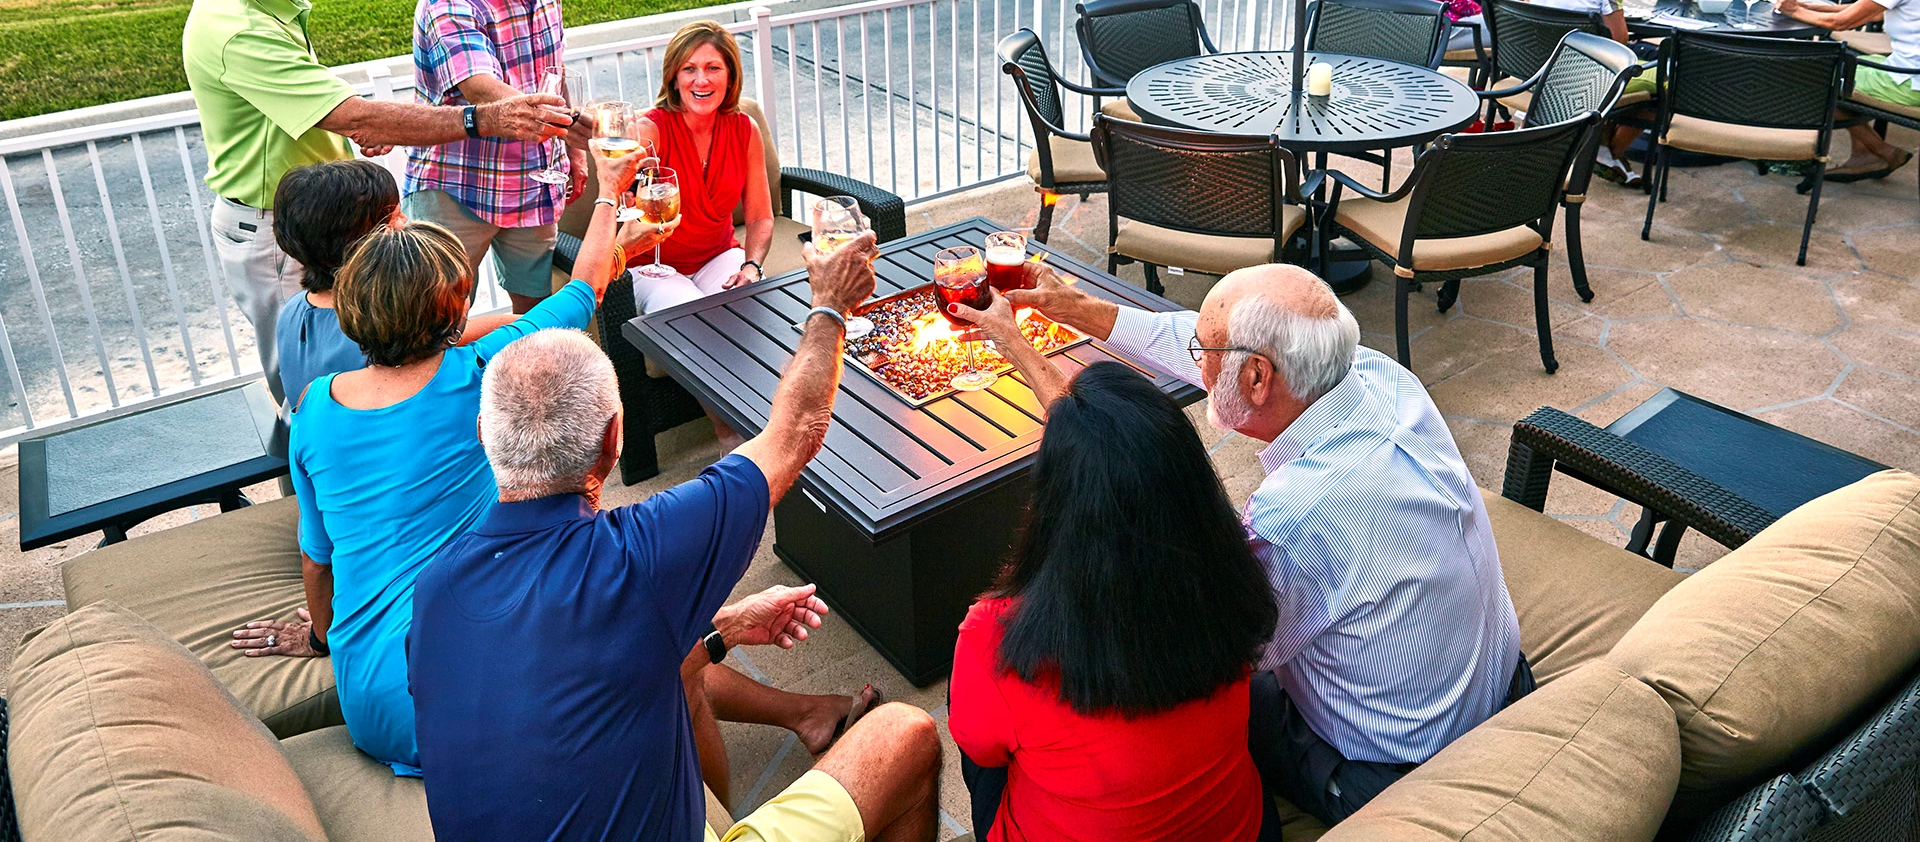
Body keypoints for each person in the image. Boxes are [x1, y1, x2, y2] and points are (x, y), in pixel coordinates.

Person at [407, 238, 945, 842]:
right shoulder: (638, 557)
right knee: (908, 734)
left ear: (485, 433)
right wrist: (829, 305)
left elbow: (576, 662)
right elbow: (793, 433)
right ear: (615, 443)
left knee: (684, 666)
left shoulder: (433, 588)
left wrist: (727, 628)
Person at [955, 262, 1526, 827]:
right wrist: (1071, 310)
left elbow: (1201, 623)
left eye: (1204, 352)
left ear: (1257, 377)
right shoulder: (1378, 376)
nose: (1193, 358)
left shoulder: (1295, 513)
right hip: (1500, 685)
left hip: (1387, 766)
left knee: (1163, 655)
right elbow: (1196, 349)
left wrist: (1027, 360)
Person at [226, 143, 646, 775]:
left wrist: (318, 637)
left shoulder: (310, 390)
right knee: (649, 640)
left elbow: (318, 564)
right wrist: (610, 191)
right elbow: (584, 287)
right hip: (462, 701)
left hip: (367, 705)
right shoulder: (473, 372)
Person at [183, 0, 573, 401]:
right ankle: (316, 481)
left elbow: (320, 109)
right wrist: (486, 119)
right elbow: (357, 112)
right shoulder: (237, 25)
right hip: (277, 233)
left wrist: (353, 130)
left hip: (327, 222)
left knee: (373, 365)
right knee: (310, 392)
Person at [947, 361, 1279, 842]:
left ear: (1056, 497)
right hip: (1239, 828)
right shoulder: (1233, 574)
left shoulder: (993, 634)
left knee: (984, 741)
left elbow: (981, 748)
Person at [405, 0, 590, 313]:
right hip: (455, 189)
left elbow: (553, 70)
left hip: (531, 182)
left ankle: (523, 386)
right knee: (436, 324)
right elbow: (481, 88)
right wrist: (574, 130)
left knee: (535, 316)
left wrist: (574, 152)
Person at [272, 159, 516, 413]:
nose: (406, 220)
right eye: (395, 217)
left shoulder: (293, 310)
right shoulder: (374, 332)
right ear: (366, 244)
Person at [622, 21, 776, 313]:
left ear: (730, 77)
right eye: (689, 69)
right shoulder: (650, 131)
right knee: (691, 320)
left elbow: (759, 217)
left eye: (713, 68)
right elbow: (617, 201)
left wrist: (752, 265)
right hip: (651, 267)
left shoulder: (745, 129)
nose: (701, 80)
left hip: (718, 257)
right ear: (674, 79)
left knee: (754, 310)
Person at [1773, 0, 1920, 183]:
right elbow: (1871, 10)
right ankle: (1868, 154)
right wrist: (1810, 7)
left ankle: (1881, 151)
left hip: (1910, 82)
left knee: (1813, 75)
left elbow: (1842, 22)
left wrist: (1794, 9)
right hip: (1912, 71)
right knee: (1845, 69)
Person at [1524, 0, 1658, 186]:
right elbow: (1620, 42)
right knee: (1664, 77)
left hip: (1539, 70)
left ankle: (1598, 143)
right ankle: (1612, 149)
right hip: (1586, 79)